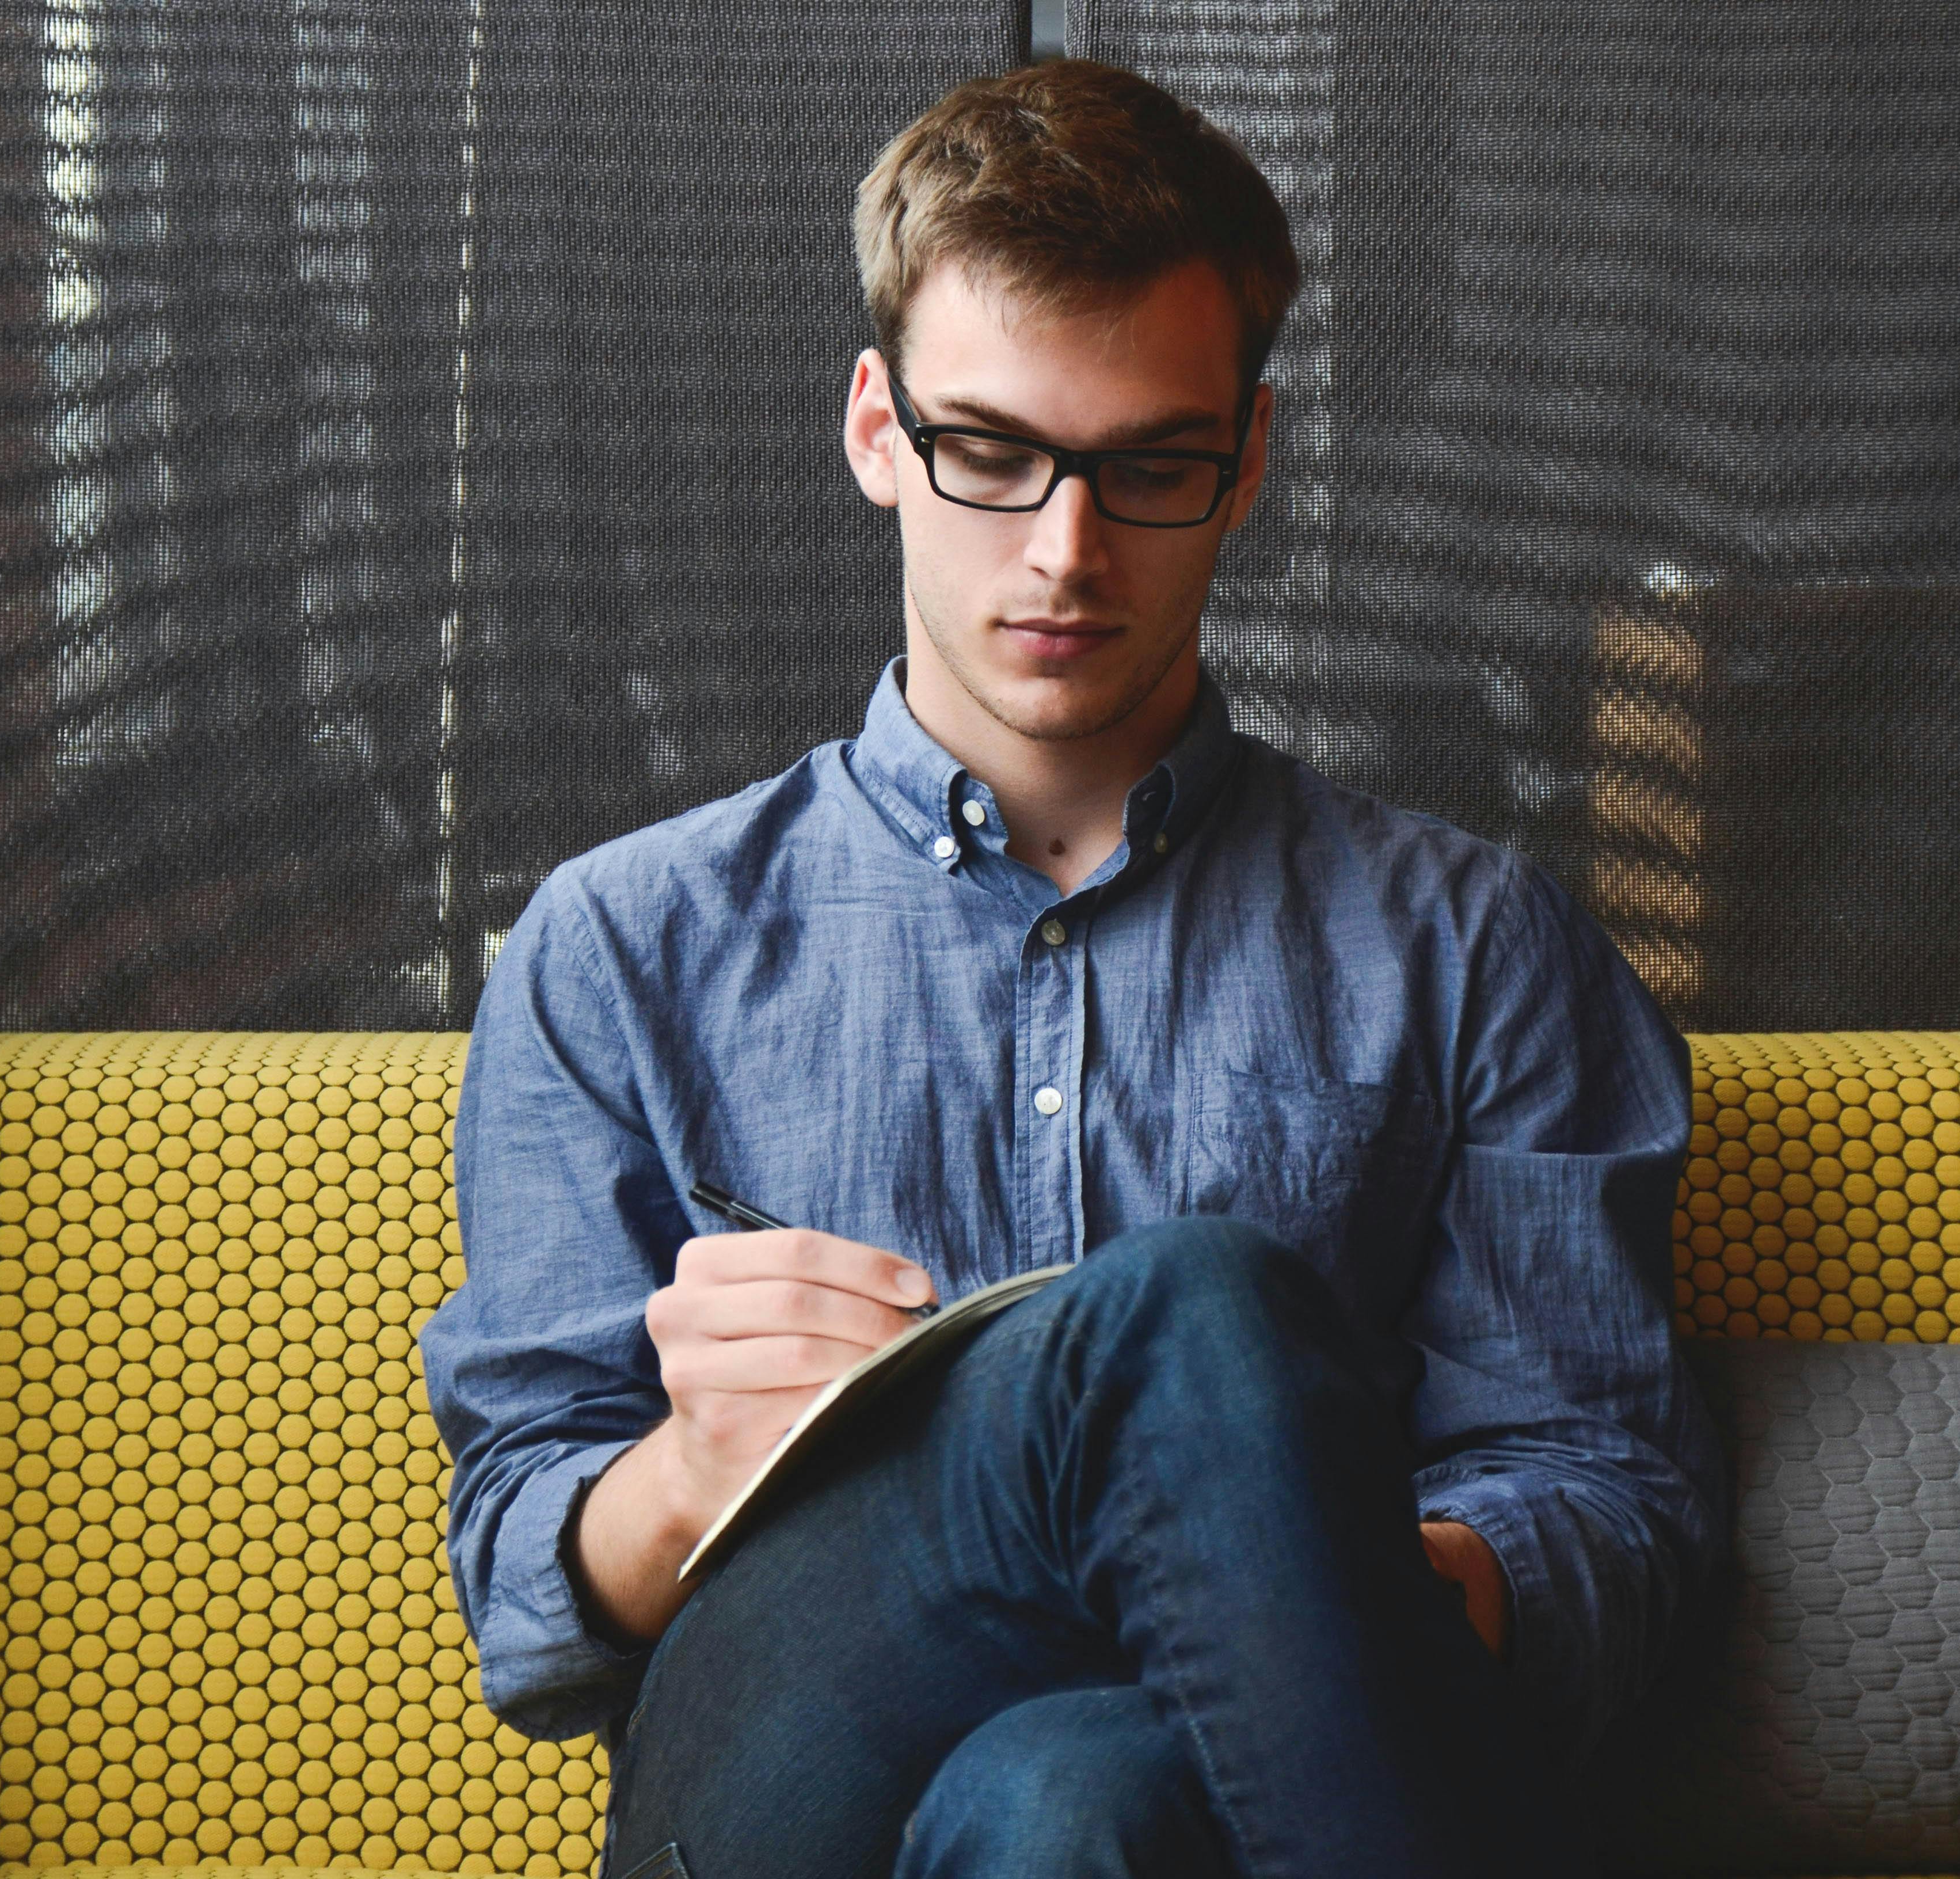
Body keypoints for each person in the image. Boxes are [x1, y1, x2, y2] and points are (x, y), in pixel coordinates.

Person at [421, 58, 1722, 1879]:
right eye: (992, 452)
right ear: (878, 429)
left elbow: (1612, 1526)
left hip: (1186, 1795)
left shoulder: (1479, 946)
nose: (1064, 549)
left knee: (1073, 1803)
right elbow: (524, 1597)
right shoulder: (623, 944)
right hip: (776, 1788)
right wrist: (687, 1472)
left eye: (1149, 468)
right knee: (1190, 1319)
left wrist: (1269, 1555)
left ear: (1249, 459)